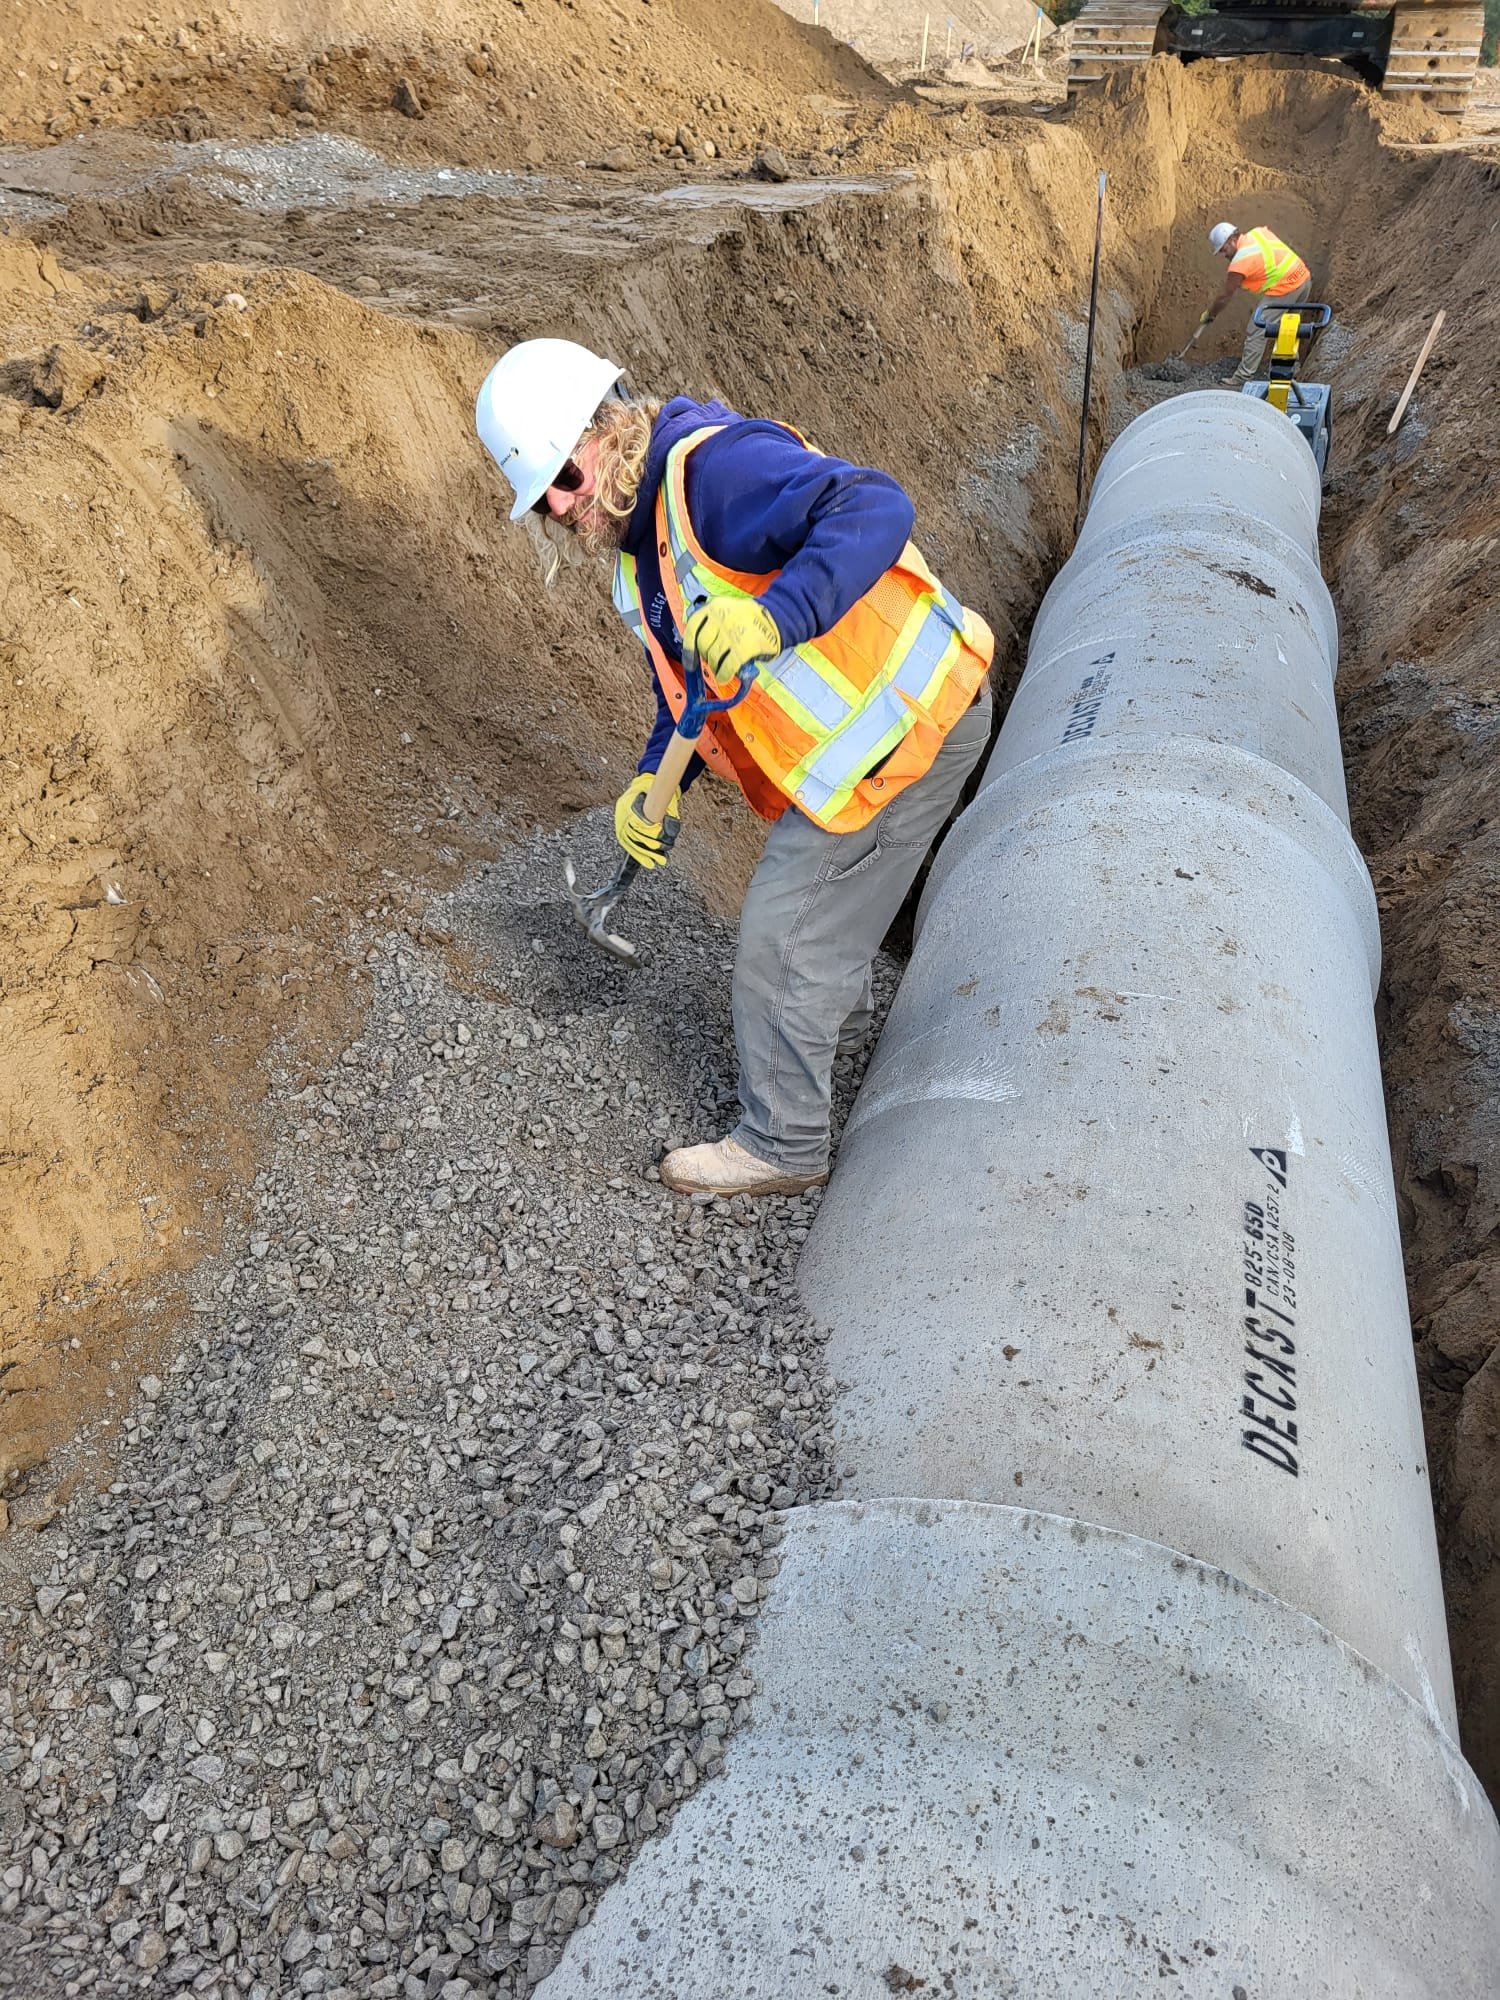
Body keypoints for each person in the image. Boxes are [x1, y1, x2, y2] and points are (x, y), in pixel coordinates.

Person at [474, 338, 995, 1198]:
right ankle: (846, 1042)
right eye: (542, 504)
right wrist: (657, 780)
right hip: (875, 742)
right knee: (823, 915)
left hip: (910, 725)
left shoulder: (715, 474)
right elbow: (685, 689)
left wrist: (776, 618)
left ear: (605, 428)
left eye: (563, 479)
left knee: (779, 942)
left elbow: (873, 505)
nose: (562, 509)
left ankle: (784, 1144)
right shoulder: (641, 558)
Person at [1198, 222, 1313, 386]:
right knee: (1289, 327)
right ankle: (1292, 370)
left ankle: (1242, 377)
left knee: (1257, 328)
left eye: (1223, 250)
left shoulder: (1240, 262)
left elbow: (1225, 296)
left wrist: (1210, 314)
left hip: (1286, 287)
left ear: (1231, 240)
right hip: (1303, 278)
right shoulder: (1257, 233)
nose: (1223, 255)